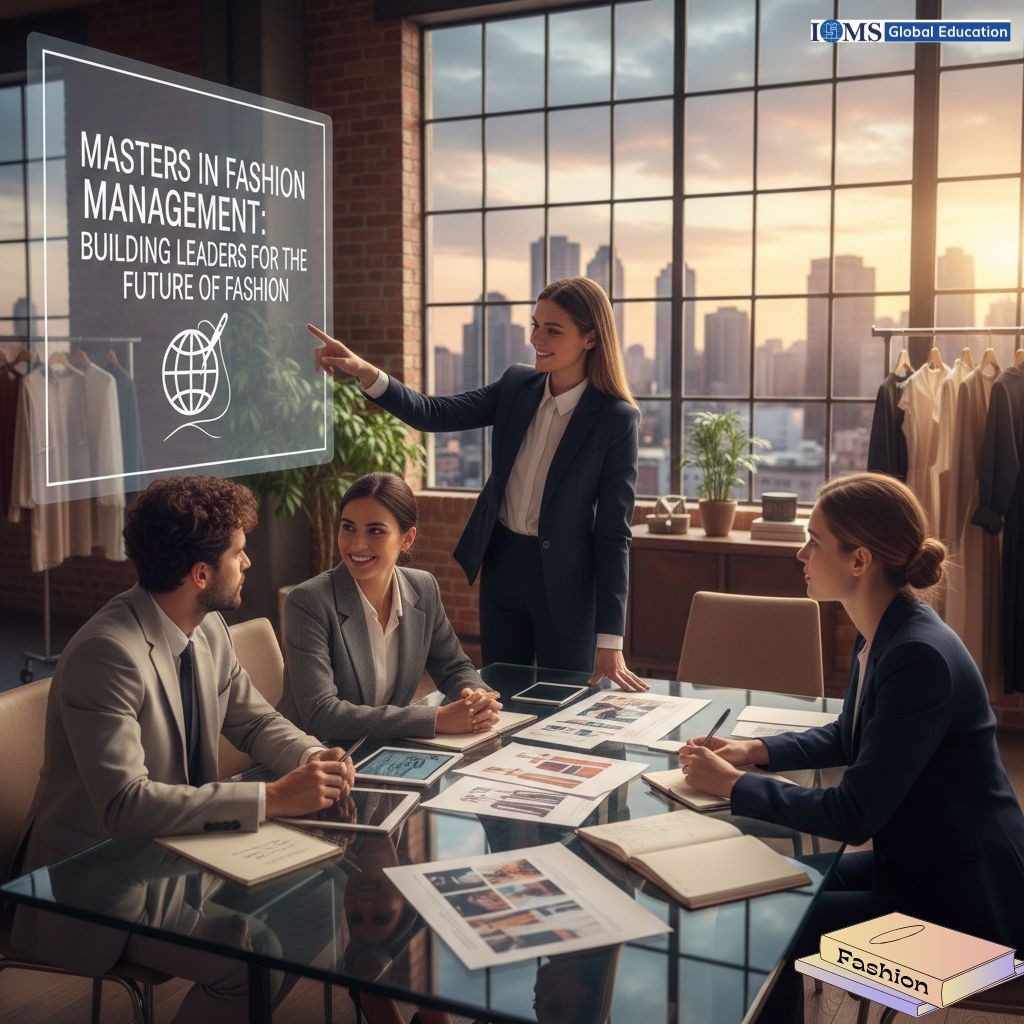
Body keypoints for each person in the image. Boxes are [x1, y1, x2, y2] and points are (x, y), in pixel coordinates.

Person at [677, 472, 1024, 1022]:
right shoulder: (888, 629)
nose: (801, 552)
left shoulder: (917, 656)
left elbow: (852, 814)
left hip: (966, 909)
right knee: (748, 894)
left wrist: (733, 786)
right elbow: (848, 735)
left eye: (814, 540)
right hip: (917, 864)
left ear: (859, 561)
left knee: (758, 928)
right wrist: (752, 751)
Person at [11, 476, 357, 1024]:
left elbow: (255, 719)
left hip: (183, 855)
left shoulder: (209, 625)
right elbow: (127, 805)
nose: (248, 564)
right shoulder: (108, 655)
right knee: (245, 961)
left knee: (328, 899)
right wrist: (272, 799)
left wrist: (311, 756)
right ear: (200, 574)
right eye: (239, 553)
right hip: (100, 884)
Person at [308, 276, 648, 691]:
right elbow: (433, 414)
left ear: (590, 339)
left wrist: (611, 639)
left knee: (569, 703)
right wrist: (365, 371)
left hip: (569, 585)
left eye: (553, 330)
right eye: (535, 325)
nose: (537, 338)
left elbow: (614, 533)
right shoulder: (515, 387)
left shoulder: (616, 419)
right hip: (504, 566)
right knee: (502, 695)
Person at [281, 472, 502, 743]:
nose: (356, 544)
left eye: (375, 531)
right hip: (317, 759)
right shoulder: (309, 602)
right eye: (348, 527)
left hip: (386, 749)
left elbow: (454, 668)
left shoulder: (423, 588)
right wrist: (437, 719)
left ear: (407, 539)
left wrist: (477, 698)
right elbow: (322, 714)